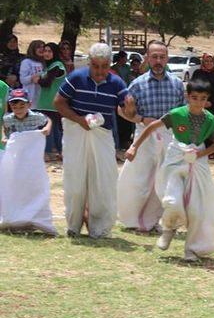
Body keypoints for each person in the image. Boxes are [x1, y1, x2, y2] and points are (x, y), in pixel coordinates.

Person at [125, 79, 214, 261]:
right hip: (175, 158)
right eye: (194, 98)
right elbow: (152, 126)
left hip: (197, 163)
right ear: (187, 97)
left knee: (196, 209)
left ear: (207, 100)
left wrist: (200, 154)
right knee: (172, 200)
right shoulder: (177, 114)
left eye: (203, 99)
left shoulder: (209, 119)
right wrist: (134, 147)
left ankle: (191, 249)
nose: (198, 102)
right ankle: (168, 228)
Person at [54, 42, 130, 238]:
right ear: (89, 63)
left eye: (104, 66)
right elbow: (58, 102)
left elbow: (126, 109)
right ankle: (73, 225)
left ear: (110, 65)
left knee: (103, 180)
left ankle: (100, 228)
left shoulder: (116, 83)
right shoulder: (76, 78)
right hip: (76, 131)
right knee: (75, 179)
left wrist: (130, 106)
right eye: (96, 66)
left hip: (102, 134)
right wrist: (79, 120)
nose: (99, 71)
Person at [117, 40, 185, 233]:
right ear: (147, 58)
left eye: (162, 57)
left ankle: (159, 220)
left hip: (170, 137)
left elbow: (183, 113)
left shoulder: (177, 84)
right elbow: (122, 111)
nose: (158, 61)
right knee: (138, 179)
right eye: (154, 57)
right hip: (144, 137)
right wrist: (139, 118)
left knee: (166, 179)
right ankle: (132, 220)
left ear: (167, 59)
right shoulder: (137, 85)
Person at [0, 88, 56, 235]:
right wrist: (4, 137)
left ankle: (33, 215)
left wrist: (46, 129)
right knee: (14, 185)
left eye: (21, 106)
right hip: (15, 159)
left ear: (29, 105)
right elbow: (3, 127)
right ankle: (15, 216)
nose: (18, 109)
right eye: (14, 106)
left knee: (32, 185)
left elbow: (48, 120)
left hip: (31, 160)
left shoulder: (36, 117)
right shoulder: (8, 118)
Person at [37, 42, 66, 161]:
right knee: (55, 129)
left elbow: (46, 83)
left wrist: (38, 79)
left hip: (51, 104)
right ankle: (61, 152)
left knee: (48, 129)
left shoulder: (57, 65)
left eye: (50, 51)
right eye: (45, 51)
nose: (47, 54)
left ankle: (48, 153)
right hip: (46, 103)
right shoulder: (49, 66)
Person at [191, 53, 214, 122]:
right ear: (203, 62)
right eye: (206, 61)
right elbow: (192, 87)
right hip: (198, 104)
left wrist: (211, 102)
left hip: (211, 105)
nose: (209, 63)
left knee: (210, 128)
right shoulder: (197, 73)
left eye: (211, 61)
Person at [19, 40, 45, 105]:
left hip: (42, 95)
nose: (42, 49)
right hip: (30, 94)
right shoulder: (27, 62)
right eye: (39, 47)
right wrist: (32, 78)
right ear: (33, 49)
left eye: (43, 47)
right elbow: (23, 80)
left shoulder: (45, 62)